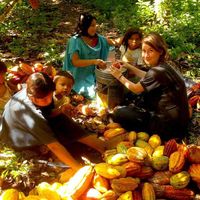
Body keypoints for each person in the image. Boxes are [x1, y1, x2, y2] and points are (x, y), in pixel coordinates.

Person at [0, 72, 105, 171]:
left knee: (61, 118)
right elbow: (54, 146)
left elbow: (50, 112)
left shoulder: (39, 90)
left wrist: (61, 111)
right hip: (18, 138)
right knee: (54, 146)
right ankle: (66, 162)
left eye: (50, 96)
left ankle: (102, 147)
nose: (48, 100)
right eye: (44, 99)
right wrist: (79, 170)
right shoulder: (32, 115)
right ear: (32, 97)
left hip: (32, 122)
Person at [109, 33, 190, 141]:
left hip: (167, 128)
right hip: (180, 124)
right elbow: (147, 77)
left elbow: (136, 89)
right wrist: (128, 66)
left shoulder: (156, 72)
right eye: (143, 51)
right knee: (133, 99)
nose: (146, 55)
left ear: (160, 51)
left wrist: (118, 75)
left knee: (118, 112)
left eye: (150, 51)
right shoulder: (164, 66)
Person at [63, 13, 117, 99]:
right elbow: (75, 62)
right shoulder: (75, 41)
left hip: (94, 74)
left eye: (95, 25)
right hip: (78, 76)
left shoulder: (99, 39)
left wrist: (129, 38)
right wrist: (94, 61)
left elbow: (115, 43)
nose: (95, 28)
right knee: (94, 95)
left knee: (108, 90)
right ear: (84, 26)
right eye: (92, 25)